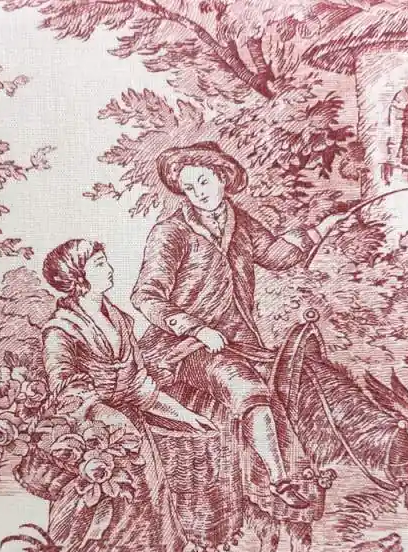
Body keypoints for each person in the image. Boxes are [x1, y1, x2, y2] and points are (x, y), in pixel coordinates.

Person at [131, 141, 344, 510]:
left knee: (299, 375)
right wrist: (196, 328)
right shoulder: (170, 232)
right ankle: (280, 480)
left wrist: (320, 229)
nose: (199, 193)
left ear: (222, 177)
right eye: (189, 187)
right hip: (182, 348)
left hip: (241, 341)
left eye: (203, 181)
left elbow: (276, 255)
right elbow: (145, 296)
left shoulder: (239, 222)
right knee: (249, 390)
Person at [42, 239, 216, 552]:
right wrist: (112, 421)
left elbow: (138, 384)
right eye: (99, 263)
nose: (109, 268)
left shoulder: (117, 317)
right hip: (91, 442)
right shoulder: (60, 330)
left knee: (153, 507)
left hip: (130, 432)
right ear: (78, 277)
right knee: (101, 525)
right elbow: (67, 392)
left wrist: (185, 415)